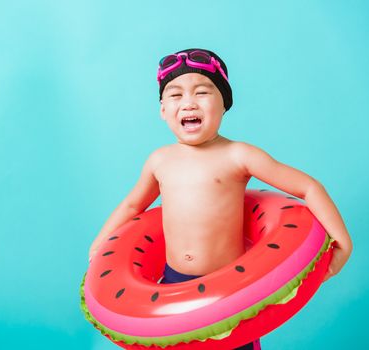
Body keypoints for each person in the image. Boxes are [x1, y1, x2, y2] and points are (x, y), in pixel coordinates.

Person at [88, 48, 352, 349]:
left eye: (202, 92)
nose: (188, 102)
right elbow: (133, 205)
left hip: (231, 289)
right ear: (162, 110)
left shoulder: (238, 155)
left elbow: (307, 188)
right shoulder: (159, 160)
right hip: (172, 284)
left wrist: (342, 240)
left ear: (224, 103)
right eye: (175, 95)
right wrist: (100, 243)